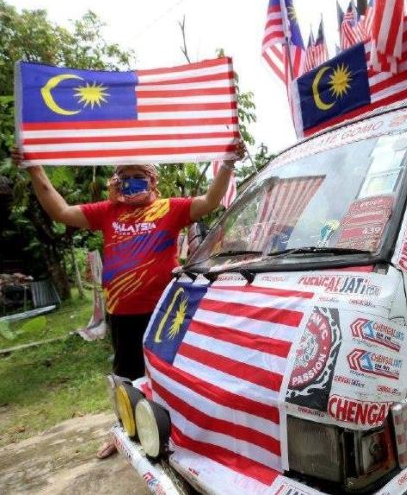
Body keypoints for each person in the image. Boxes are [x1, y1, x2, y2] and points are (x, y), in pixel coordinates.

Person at [13, 143, 245, 458]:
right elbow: (61, 211)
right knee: (126, 375)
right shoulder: (108, 211)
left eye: (138, 176)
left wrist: (229, 164)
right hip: (122, 313)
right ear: (116, 182)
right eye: (125, 177)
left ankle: (180, 431)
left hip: (164, 311)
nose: (131, 182)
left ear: (152, 181)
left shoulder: (170, 208)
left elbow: (210, 201)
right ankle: (125, 430)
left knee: (169, 371)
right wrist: (34, 166)